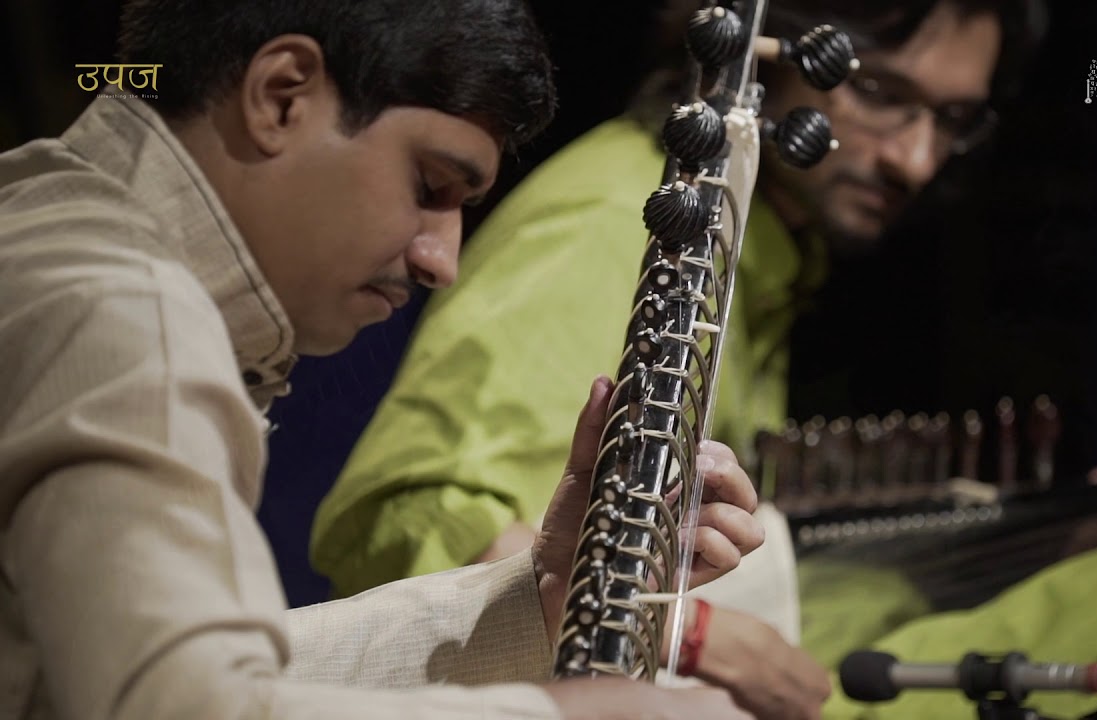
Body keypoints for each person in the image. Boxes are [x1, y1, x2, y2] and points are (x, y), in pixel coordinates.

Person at [310, 0, 1097, 718]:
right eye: (878, 92)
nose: (915, 159)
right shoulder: (620, 220)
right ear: (775, 50)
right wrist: (689, 629)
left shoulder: (763, 253)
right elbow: (411, 515)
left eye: (951, 121)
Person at [0, 1, 770, 718]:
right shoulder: (120, 309)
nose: (443, 261)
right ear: (281, 96)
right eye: (432, 184)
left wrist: (539, 601)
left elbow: (187, 674)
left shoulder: (49, 231)